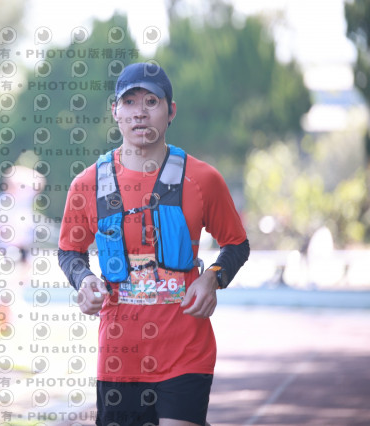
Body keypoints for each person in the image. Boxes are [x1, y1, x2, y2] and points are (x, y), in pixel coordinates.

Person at [58, 62, 249, 426]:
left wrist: (212, 277)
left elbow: (236, 243)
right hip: (119, 355)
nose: (140, 112)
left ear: (170, 111)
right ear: (115, 111)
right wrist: (84, 280)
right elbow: (69, 251)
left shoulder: (202, 179)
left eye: (151, 101)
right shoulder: (87, 184)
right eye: (129, 102)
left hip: (186, 353)